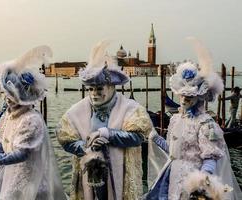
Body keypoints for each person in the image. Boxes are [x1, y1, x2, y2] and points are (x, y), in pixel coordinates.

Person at [56, 41, 153, 200]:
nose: (94, 93)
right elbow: (66, 140)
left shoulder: (130, 108)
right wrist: (87, 148)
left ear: (111, 87)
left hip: (119, 173)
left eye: (99, 88)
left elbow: (138, 137)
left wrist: (108, 134)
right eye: (91, 89)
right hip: (89, 175)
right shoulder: (77, 110)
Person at [0, 46, 66, 200]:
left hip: (30, 180)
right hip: (8, 174)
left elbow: (22, 153)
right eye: (6, 95)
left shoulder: (32, 120)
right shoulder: (7, 116)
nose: (7, 100)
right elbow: (1, 145)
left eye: (11, 96)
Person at [147, 59, 242, 199]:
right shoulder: (175, 119)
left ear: (199, 97)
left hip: (192, 180)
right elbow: (173, 151)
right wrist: (155, 137)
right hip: (173, 177)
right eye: (183, 95)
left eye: (189, 96)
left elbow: (210, 158)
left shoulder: (206, 124)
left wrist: (201, 182)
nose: (184, 99)